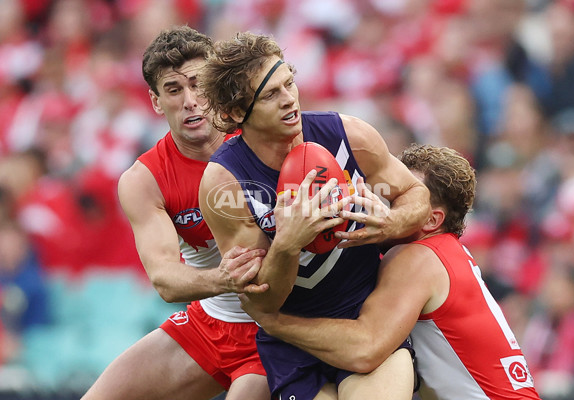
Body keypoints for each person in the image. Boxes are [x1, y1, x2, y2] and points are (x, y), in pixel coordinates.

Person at [198, 32, 431, 399]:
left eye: (289, 82)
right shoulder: (223, 183)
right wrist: (288, 244)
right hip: (293, 343)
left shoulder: (347, 134)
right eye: (271, 94)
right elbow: (262, 301)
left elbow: (416, 195)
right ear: (236, 113)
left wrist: (392, 222)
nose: (290, 99)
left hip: (366, 318)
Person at [241, 144, 543, 400]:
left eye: (402, 197)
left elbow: (365, 349)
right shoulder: (444, 252)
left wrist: (273, 321)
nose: (381, 200)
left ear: (431, 220)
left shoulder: (417, 256)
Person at [82, 26, 270, 400]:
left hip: (278, 327)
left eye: (198, 84)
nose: (190, 101)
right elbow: (165, 278)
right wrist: (227, 278)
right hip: (213, 321)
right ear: (155, 101)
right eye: (174, 89)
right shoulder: (144, 179)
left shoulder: (263, 137)